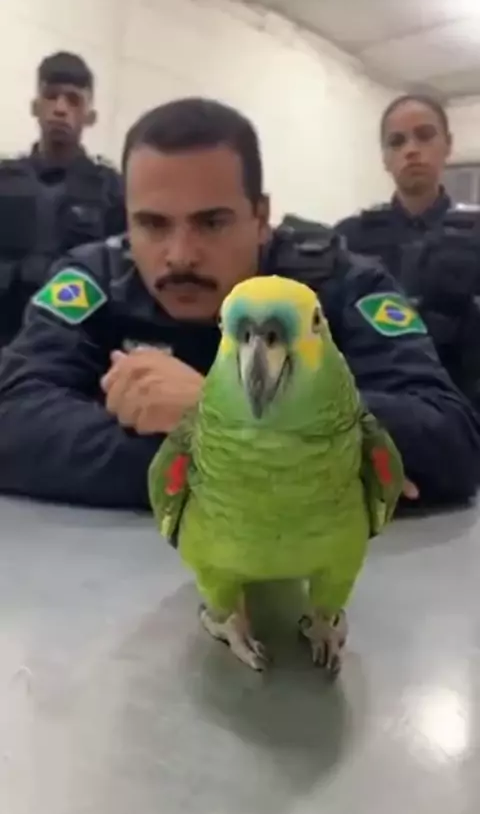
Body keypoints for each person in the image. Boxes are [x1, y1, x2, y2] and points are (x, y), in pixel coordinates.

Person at [0, 97, 478, 510]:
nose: (180, 255)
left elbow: (448, 442)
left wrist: (238, 407)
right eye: (152, 224)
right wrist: (276, 461)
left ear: (261, 217)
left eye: (212, 223)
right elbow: (12, 419)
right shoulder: (97, 281)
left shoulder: (338, 284)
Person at [335, 94, 480, 408]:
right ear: (385, 158)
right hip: (377, 412)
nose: (411, 150)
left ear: (448, 145)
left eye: (425, 136)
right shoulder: (349, 238)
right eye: (396, 142)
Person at [0, 51, 125, 345]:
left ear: (90, 116)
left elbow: (119, 275)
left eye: (73, 100)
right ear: (35, 106)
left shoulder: (111, 190)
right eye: (51, 96)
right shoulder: (4, 179)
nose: (60, 109)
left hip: (70, 344)